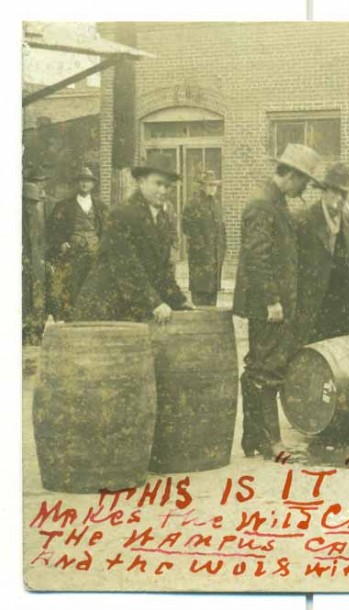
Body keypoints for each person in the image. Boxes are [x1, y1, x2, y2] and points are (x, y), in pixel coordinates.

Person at [233, 143, 322, 459]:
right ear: (292, 176)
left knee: (260, 367)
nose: (304, 189)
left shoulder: (275, 201)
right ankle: (271, 443)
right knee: (266, 369)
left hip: (277, 302)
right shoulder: (262, 204)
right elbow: (257, 257)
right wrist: (271, 299)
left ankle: (253, 438)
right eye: (304, 182)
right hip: (269, 305)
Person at [72, 156, 191, 323]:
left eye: (168, 186)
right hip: (105, 309)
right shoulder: (122, 214)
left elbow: (162, 270)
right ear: (141, 182)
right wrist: (154, 302)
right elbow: (125, 266)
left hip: (131, 307)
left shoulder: (162, 218)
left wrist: (180, 301)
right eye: (158, 183)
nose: (163, 191)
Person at [293, 162, 349, 345]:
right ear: (324, 191)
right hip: (311, 303)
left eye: (344, 194)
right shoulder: (304, 219)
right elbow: (291, 264)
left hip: (340, 303)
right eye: (336, 192)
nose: (340, 199)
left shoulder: (348, 222)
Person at [45, 166, 107, 319]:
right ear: (77, 184)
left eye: (88, 181)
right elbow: (52, 230)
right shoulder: (64, 206)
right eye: (81, 181)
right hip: (73, 253)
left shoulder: (101, 207)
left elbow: (108, 231)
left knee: (94, 287)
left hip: (95, 252)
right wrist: (61, 243)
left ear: (93, 184)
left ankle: (90, 320)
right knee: (72, 287)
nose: (84, 184)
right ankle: (71, 319)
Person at [181, 170, 227, 307]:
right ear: (202, 186)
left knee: (213, 299)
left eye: (215, 185)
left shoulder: (216, 204)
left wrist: (222, 248)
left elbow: (222, 230)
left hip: (215, 260)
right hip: (200, 261)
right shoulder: (193, 204)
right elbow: (188, 228)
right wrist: (201, 249)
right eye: (209, 185)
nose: (213, 188)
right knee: (200, 299)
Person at [23, 182, 47, 345]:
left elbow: (40, 241)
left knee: (36, 297)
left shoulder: (37, 218)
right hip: (24, 262)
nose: (31, 205)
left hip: (36, 262)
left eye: (34, 202)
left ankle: (36, 332)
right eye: (28, 201)